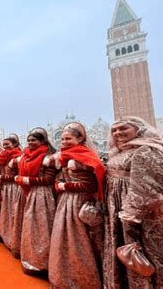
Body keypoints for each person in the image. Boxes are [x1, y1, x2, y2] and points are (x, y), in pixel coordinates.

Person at [103, 116, 163, 289]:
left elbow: (148, 189)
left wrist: (131, 216)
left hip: (138, 215)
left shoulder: (147, 150)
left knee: (144, 252)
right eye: (114, 130)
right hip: (117, 208)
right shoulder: (121, 151)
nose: (118, 133)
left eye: (124, 128)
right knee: (125, 252)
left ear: (138, 129)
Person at [48, 122, 105, 289]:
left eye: (69, 138)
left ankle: (81, 280)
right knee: (64, 238)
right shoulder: (66, 156)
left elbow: (90, 186)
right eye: (63, 138)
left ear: (80, 138)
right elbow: (60, 176)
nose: (64, 141)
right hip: (67, 202)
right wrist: (60, 183)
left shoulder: (84, 156)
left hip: (79, 202)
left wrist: (65, 186)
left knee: (79, 240)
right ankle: (64, 276)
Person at [14, 128, 57, 274]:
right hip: (27, 191)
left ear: (43, 141)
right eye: (29, 140)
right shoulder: (25, 155)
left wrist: (26, 180)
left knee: (39, 226)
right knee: (27, 224)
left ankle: (41, 260)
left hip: (41, 195)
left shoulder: (49, 156)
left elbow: (48, 179)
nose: (31, 143)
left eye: (34, 140)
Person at [0, 134, 22, 256]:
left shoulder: (18, 157)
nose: (5, 147)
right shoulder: (1, 156)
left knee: (13, 213)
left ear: (15, 144)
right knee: (5, 211)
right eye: (4, 144)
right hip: (5, 188)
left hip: (14, 188)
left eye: (8, 144)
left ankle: (13, 238)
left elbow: (18, 176)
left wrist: (3, 177)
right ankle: (5, 234)